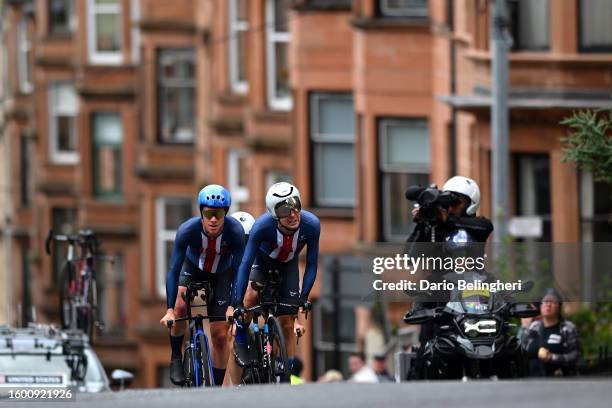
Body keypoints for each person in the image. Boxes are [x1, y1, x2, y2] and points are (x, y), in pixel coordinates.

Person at [225, 182, 320, 385]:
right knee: (251, 295)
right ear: (275, 215)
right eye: (285, 211)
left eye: (296, 206)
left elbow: (311, 263)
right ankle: (241, 334)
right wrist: (238, 303)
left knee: (287, 320)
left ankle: (286, 371)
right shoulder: (262, 226)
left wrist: (304, 297)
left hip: (288, 264)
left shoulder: (311, 224)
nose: (293, 215)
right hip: (262, 261)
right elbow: (245, 264)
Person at [159, 185, 245, 386]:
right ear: (201, 213)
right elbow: (173, 269)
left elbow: (240, 270)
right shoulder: (187, 230)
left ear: (226, 213)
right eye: (208, 213)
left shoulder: (235, 232)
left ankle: (214, 387)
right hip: (192, 267)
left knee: (220, 335)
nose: (213, 219)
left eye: (218, 213)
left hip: (221, 273)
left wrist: (234, 304)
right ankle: (176, 357)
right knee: (181, 306)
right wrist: (170, 309)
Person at [523, 289, 580, 377]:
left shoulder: (567, 328)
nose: (548, 305)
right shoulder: (534, 326)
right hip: (532, 381)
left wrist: (552, 357)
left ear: (559, 306)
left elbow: (575, 355)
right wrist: (524, 328)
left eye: (553, 302)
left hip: (558, 382)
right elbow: (523, 350)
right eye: (545, 301)